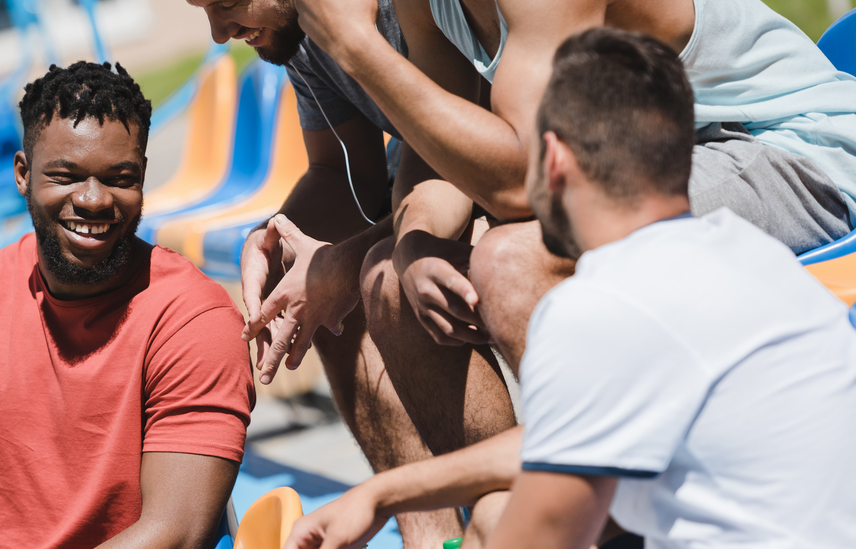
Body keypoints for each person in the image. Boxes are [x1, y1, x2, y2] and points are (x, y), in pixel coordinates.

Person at [286, 28, 856, 549]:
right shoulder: (759, 257)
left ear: (552, 159)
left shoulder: (593, 308)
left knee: (492, 525)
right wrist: (383, 494)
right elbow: (561, 442)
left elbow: (541, 535)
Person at [133, 0, 517, 545]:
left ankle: (522, 518)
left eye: (227, 5)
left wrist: (338, 264)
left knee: (378, 277)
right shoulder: (299, 31)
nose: (219, 34)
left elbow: (464, 169)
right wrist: (279, 236)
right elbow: (350, 175)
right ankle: (431, 537)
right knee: (317, 287)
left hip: (504, 173)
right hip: (444, 186)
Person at [0, 61, 255, 549]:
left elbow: (176, 533)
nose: (93, 199)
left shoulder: (193, 320)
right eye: (66, 175)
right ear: (23, 174)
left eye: (119, 177)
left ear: (142, 176)